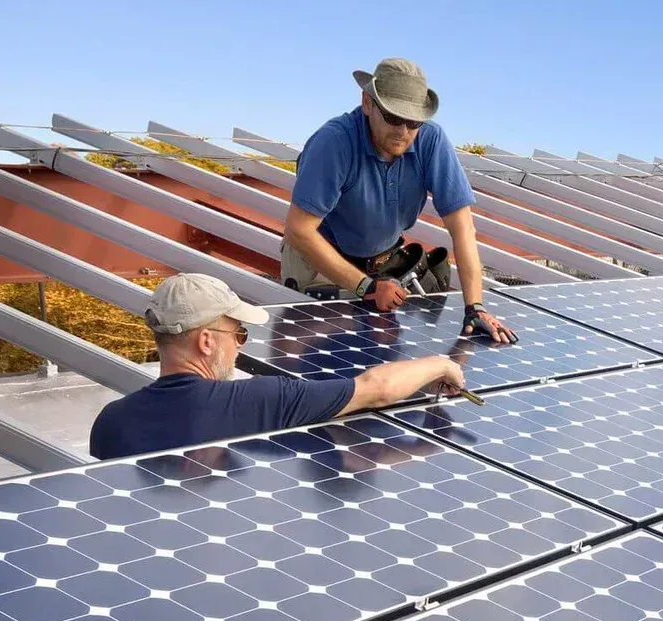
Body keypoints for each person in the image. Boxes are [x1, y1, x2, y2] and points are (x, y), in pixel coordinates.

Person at [89, 273, 466, 459]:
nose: (239, 348)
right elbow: (376, 388)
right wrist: (440, 364)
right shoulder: (258, 400)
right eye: (237, 335)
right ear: (205, 342)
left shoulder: (109, 423)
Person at [280, 57, 516, 344]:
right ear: (368, 104)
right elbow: (299, 229)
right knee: (326, 366)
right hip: (320, 258)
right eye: (393, 117)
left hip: (381, 263)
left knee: (383, 361)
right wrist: (364, 287)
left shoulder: (431, 141)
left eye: (413, 121)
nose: (403, 131)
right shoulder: (335, 143)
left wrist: (474, 306)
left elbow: (462, 227)